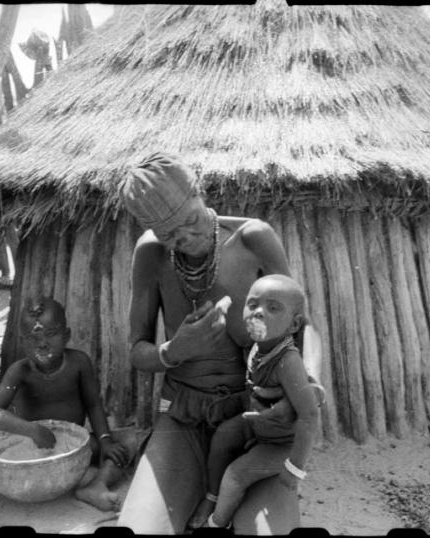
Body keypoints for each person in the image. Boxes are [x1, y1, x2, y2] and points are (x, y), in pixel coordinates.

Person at [117, 152, 322, 534]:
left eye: (191, 221)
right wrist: (174, 350)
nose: (185, 238)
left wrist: (308, 382)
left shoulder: (253, 239)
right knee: (140, 530)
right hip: (184, 416)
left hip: (255, 420)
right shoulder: (150, 253)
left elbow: (303, 324)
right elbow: (137, 350)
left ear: (200, 191)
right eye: (169, 235)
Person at [188, 274, 321, 528]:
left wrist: (295, 467)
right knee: (223, 436)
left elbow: (310, 414)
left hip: (280, 443)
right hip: (257, 426)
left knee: (235, 475)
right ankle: (212, 495)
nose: (258, 313)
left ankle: (217, 523)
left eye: (273, 308)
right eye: (253, 305)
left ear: (293, 325)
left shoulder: (287, 361)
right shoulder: (260, 346)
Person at [0, 296, 132, 511]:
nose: (42, 343)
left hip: (74, 446)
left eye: (51, 334)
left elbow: (93, 405)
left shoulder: (79, 363)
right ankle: (84, 481)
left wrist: (106, 441)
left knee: (127, 441)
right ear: (23, 342)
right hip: (34, 450)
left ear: (67, 335)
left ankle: (96, 486)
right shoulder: (19, 371)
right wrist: (33, 430)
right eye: (33, 338)